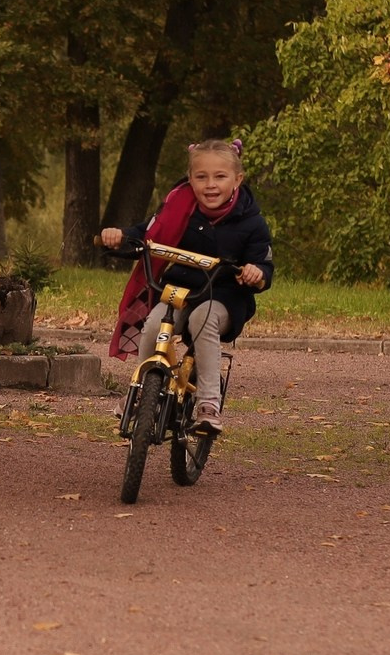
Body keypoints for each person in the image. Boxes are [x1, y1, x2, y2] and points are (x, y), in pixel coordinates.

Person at [99, 139, 273, 435]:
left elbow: (264, 263)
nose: (210, 185)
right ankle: (143, 391)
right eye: (201, 177)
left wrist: (256, 272)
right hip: (180, 289)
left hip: (225, 296)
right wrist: (119, 236)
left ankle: (208, 402)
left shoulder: (252, 222)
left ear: (237, 180)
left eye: (220, 177)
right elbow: (147, 234)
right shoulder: (178, 209)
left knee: (201, 319)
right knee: (154, 323)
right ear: (190, 179)